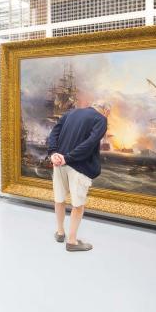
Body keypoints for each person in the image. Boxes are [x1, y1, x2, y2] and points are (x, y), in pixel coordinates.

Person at [47, 101, 110, 252]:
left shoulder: (70, 113)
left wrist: (53, 153)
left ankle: (60, 232)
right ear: (105, 111)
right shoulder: (101, 119)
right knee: (78, 204)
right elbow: (90, 143)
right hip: (79, 166)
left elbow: (53, 133)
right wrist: (69, 158)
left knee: (59, 199)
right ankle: (72, 241)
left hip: (59, 163)